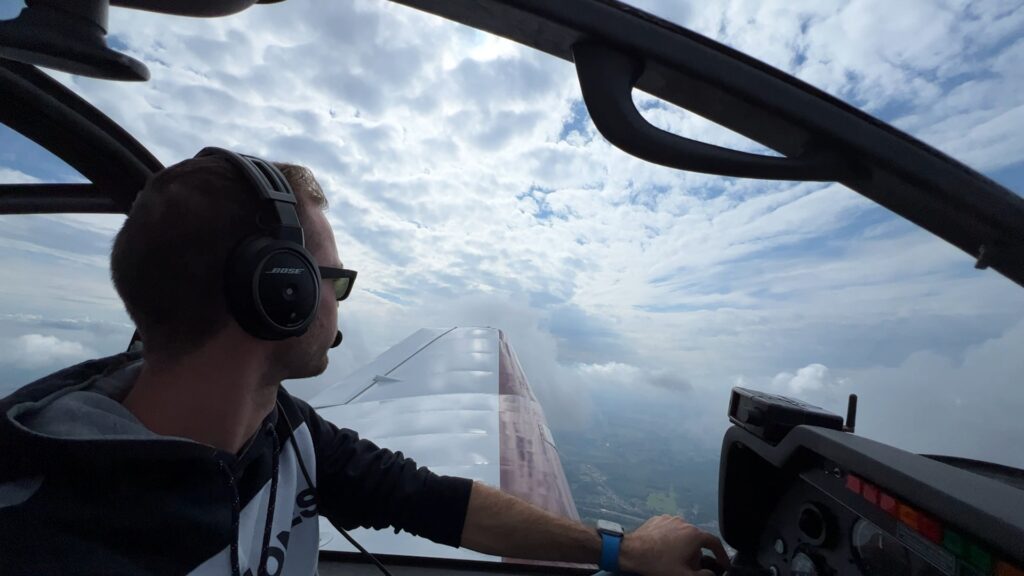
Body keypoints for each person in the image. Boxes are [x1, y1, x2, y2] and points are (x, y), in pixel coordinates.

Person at [0, 150, 729, 576]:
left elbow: (436, 503)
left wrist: (620, 551)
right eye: (333, 279)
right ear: (276, 294)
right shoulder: (48, 537)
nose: (341, 299)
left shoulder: (283, 433)